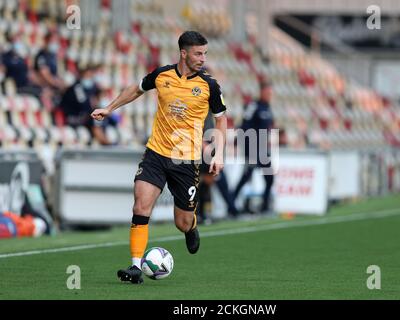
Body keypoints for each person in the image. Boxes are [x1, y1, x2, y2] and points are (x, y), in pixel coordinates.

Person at [91, 31, 227, 284]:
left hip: (185, 160)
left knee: (182, 222)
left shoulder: (210, 85)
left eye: (205, 53)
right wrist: (109, 109)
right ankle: (134, 267)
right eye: (198, 53)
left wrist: (218, 154)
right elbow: (137, 89)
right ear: (183, 53)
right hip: (155, 152)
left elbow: (221, 120)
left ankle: (192, 224)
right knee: (140, 206)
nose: (203, 58)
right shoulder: (162, 74)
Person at [232, 80, 275, 214]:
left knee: (269, 177)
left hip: (262, 148)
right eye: (267, 92)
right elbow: (244, 124)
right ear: (261, 92)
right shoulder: (253, 106)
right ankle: (231, 201)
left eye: (270, 93)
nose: (269, 95)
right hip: (252, 146)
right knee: (246, 176)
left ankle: (265, 205)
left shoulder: (267, 108)